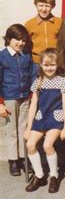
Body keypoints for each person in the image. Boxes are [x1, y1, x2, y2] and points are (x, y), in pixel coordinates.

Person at [23, 48, 65, 193]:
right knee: (30, 144)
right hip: (41, 117)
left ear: (57, 65)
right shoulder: (38, 82)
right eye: (46, 65)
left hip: (56, 118)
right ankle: (39, 175)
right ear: (41, 66)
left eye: (52, 65)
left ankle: (54, 176)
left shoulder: (62, 81)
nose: (49, 68)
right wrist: (28, 127)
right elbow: (33, 106)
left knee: (47, 145)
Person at [0, 24, 37, 176]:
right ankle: (13, 161)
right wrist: (0, 104)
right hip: (9, 98)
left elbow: (33, 75)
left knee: (23, 128)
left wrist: (32, 94)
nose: (20, 43)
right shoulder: (2, 57)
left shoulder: (26, 55)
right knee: (11, 130)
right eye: (17, 40)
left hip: (25, 97)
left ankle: (24, 158)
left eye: (23, 40)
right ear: (8, 39)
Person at [24, 0, 62, 64]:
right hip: (37, 63)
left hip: (55, 62)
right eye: (41, 5)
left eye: (47, 6)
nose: (44, 9)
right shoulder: (29, 24)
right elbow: (26, 46)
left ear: (53, 6)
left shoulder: (60, 22)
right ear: (35, 4)